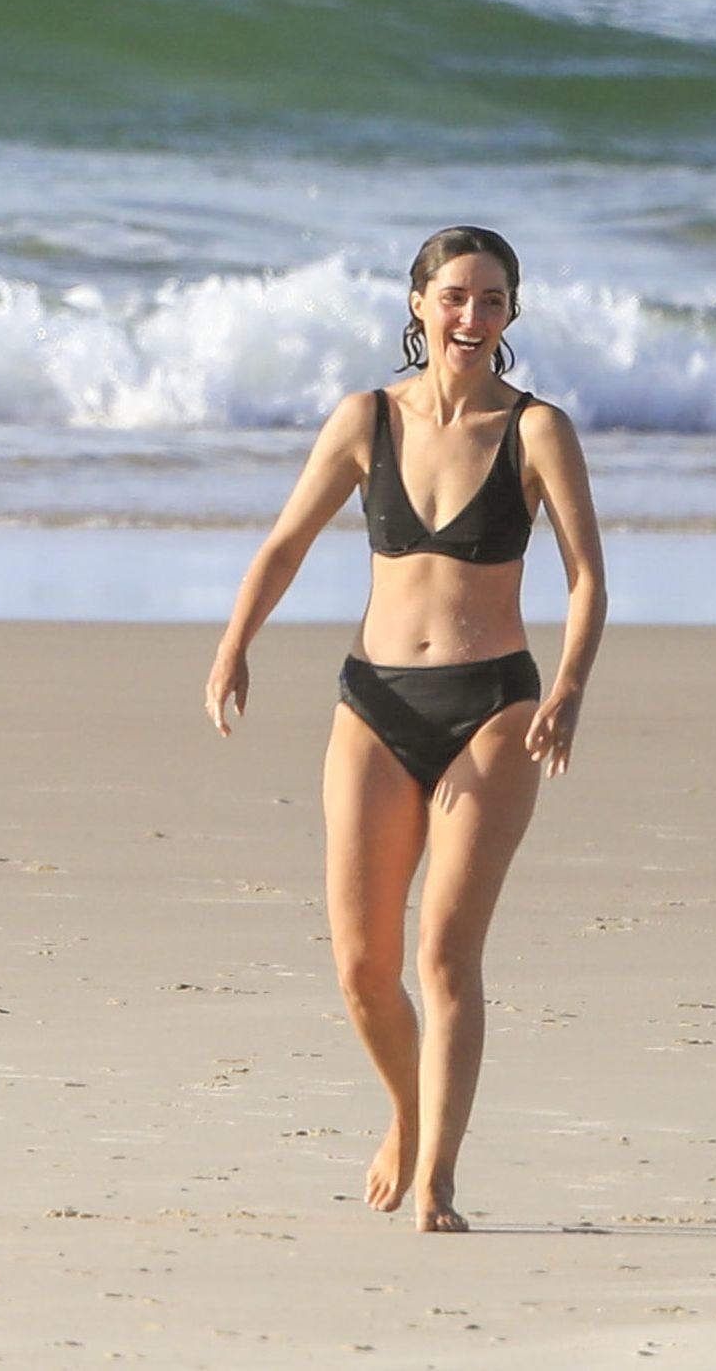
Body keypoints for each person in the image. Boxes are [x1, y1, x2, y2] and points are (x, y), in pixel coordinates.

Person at [205, 226, 607, 1233]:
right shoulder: (365, 420)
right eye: (456, 296)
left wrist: (567, 687)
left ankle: (439, 1178)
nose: (473, 316)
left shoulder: (538, 430)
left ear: (510, 314)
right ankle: (406, 1109)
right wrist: (234, 644)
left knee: (445, 955)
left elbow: (587, 577)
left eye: (493, 299)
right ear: (420, 302)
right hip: (374, 704)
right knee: (360, 968)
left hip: (495, 705)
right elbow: (286, 542)